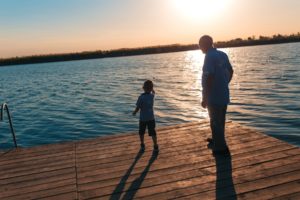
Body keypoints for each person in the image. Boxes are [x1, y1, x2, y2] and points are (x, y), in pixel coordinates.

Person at [199, 35, 233, 155]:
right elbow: (231, 71)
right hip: (223, 94)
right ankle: (218, 140)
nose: (199, 47)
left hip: (214, 96)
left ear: (205, 45)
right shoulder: (222, 54)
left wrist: (205, 98)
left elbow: (209, 77)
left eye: (200, 45)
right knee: (220, 121)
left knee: (214, 122)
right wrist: (224, 83)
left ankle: (220, 148)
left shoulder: (209, 56)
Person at [133, 80, 159, 152]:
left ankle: (142, 144)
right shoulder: (152, 96)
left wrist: (134, 112)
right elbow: (154, 92)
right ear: (151, 88)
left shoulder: (141, 97)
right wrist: (152, 89)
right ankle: (155, 145)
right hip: (151, 118)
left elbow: (138, 107)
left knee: (141, 132)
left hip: (143, 119)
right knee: (153, 132)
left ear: (143, 88)